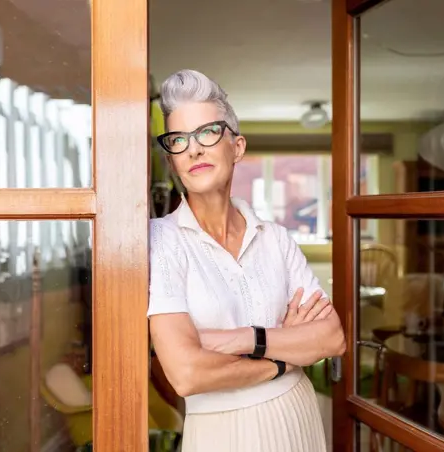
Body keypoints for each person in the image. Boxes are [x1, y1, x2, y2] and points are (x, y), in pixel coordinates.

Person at [147, 69, 346, 452]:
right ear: (172, 160)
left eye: (207, 132)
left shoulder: (276, 239)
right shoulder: (160, 241)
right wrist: (284, 358)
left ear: (237, 147)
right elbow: (186, 374)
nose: (194, 149)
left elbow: (331, 337)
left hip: (298, 418)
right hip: (220, 433)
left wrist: (241, 339)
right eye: (178, 139)